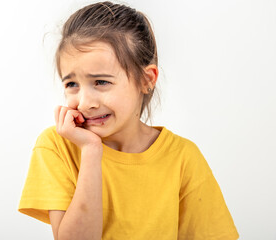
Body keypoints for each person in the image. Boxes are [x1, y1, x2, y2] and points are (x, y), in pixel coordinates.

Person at [18, 1, 239, 239]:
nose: (84, 103)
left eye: (101, 82)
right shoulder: (58, 145)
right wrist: (91, 151)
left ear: (146, 80)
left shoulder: (183, 158)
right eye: (72, 84)